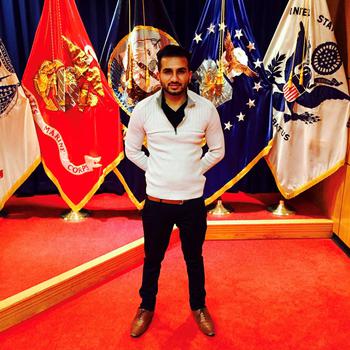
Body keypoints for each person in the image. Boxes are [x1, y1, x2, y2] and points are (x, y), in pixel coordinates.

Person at [125, 44, 225, 337]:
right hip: (156, 202)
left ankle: (199, 306)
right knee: (152, 258)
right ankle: (146, 306)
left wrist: (193, 170)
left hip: (193, 202)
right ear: (158, 74)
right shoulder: (143, 110)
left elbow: (217, 151)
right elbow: (131, 150)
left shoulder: (205, 109)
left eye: (180, 71)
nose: (174, 77)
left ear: (189, 74)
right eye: (167, 71)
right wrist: (157, 170)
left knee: (194, 257)